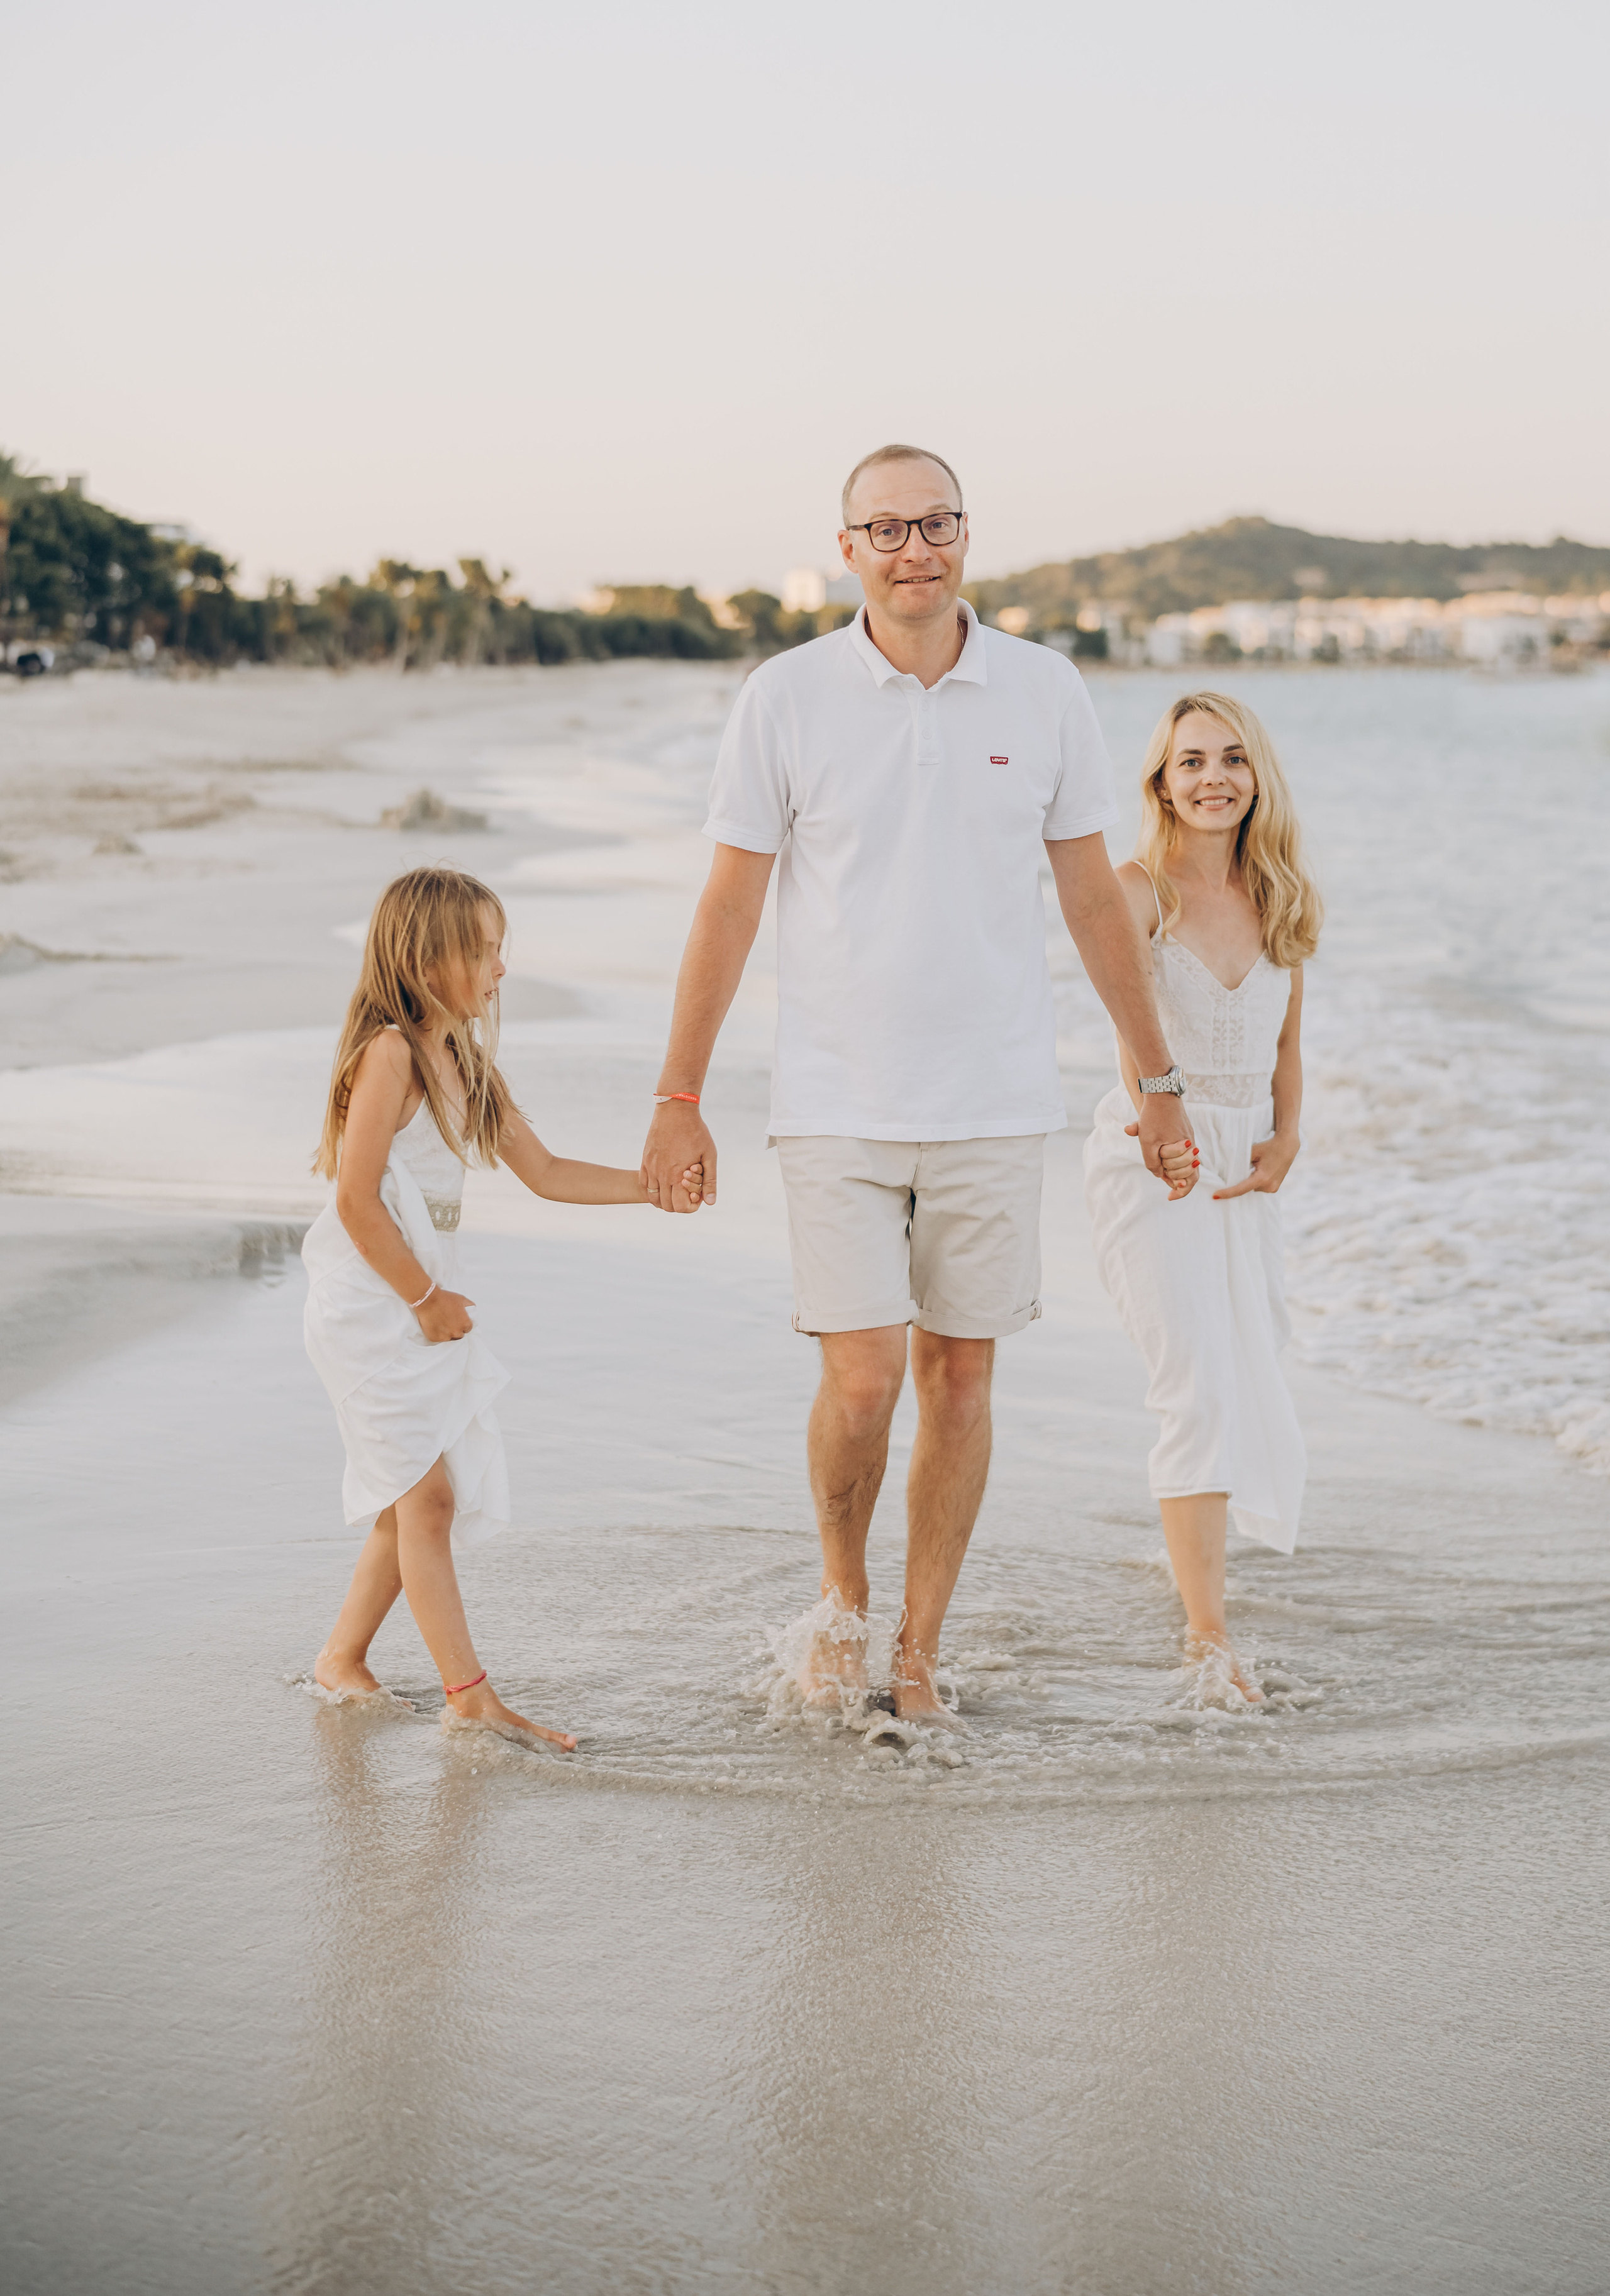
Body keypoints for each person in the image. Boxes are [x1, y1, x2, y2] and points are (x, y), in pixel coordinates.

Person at [640, 443, 1194, 1723]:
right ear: (848, 548)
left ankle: (916, 1650)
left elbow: (1090, 900)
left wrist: (1155, 1075)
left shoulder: (1044, 689)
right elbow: (728, 907)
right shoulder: (784, 697)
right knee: (861, 1381)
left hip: (993, 1098)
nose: (913, 549)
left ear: (965, 534)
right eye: (885, 528)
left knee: (959, 1380)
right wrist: (679, 1098)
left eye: (934, 523)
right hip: (835, 1098)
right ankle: (842, 1603)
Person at [304, 865, 700, 1750]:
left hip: (416, 1301)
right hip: (370, 1306)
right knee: (429, 1500)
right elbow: (356, 1203)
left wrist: (653, 1188)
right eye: (484, 951)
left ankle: (342, 1658)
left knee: (408, 1498)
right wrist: (424, 1298)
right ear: (427, 960)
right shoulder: (390, 1055)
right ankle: (469, 1694)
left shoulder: (465, 1064)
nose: (501, 969)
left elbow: (548, 1173)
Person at [1083, 693, 1323, 1704]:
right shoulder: (1137, 891)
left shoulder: (1283, 896)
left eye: (1231, 758)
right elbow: (1126, 1022)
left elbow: (1287, 1040)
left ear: (1256, 775)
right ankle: (1208, 1641)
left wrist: (1288, 1135)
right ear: (1162, 782)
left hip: (1243, 1165)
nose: (1213, 777)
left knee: (1243, 1369)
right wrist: (1161, 1117)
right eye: (1191, 762)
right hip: (1155, 1154)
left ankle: (1192, 1562)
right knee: (1197, 1388)